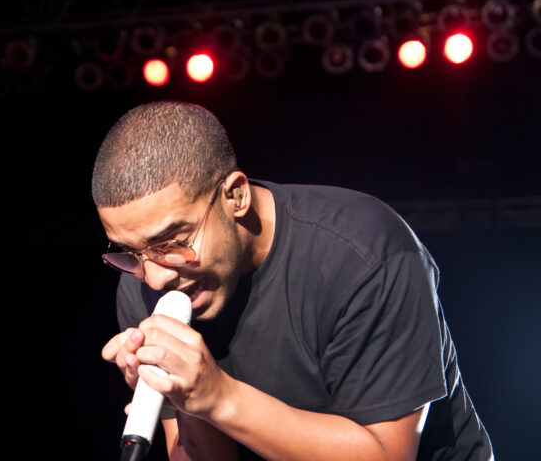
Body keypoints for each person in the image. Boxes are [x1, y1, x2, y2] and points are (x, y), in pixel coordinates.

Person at [93, 101, 493, 460]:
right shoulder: (142, 286)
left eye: (174, 243)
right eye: (132, 253)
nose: (156, 277)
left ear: (236, 196)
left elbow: (387, 455)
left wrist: (217, 397)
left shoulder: (364, 256)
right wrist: (186, 401)